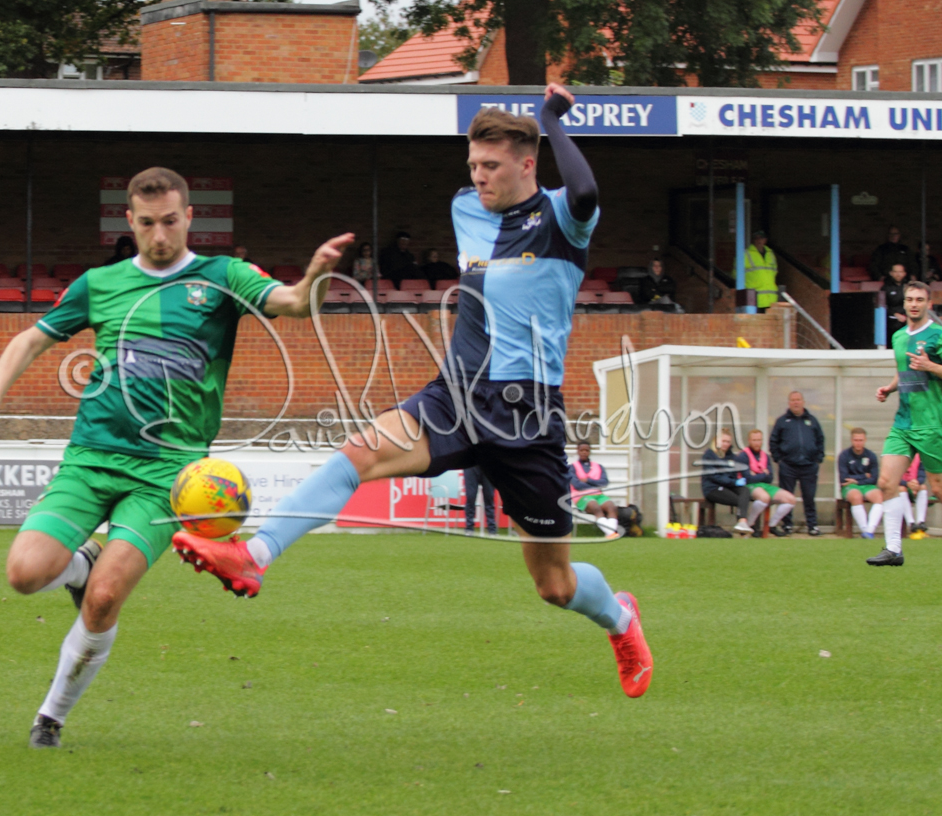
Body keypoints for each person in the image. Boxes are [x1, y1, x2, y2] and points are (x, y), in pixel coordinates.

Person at [173, 85, 654, 699]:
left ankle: (620, 617)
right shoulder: (465, 207)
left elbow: (585, 192)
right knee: (359, 454)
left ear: (528, 164)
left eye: (492, 165)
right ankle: (255, 555)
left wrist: (550, 119)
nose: (478, 176)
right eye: (473, 165)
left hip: (527, 414)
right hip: (457, 395)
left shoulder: (564, 219)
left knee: (554, 585)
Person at [0, 167, 354, 748]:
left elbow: (293, 303)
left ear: (189, 217)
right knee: (24, 574)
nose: (160, 235)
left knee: (104, 598)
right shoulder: (100, 283)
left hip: (167, 473)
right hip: (92, 457)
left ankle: (51, 717)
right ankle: (81, 564)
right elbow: (30, 339)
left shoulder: (223, 276)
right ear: (130, 221)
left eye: (170, 221)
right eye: (147, 224)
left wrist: (315, 276)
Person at [866, 281, 942, 567]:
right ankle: (894, 549)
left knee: (940, 489)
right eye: (909, 299)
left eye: (919, 299)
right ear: (904, 304)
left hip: (932, 425)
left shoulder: (939, 335)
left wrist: (931, 366)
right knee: (886, 482)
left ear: (929, 304)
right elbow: (904, 370)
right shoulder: (898, 337)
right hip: (904, 422)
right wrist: (890, 387)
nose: (914, 304)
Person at [770, 391, 825, 536]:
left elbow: (820, 439)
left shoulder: (812, 420)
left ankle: (812, 526)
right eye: (793, 400)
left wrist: (818, 458)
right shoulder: (782, 421)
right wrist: (778, 459)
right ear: (789, 403)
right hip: (788, 466)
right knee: (787, 497)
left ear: (803, 402)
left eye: (798, 400)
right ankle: (787, 525)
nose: (796, 402)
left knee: (809, 497)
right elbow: (773, 441)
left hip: (809, 466)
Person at [736, 429, 797, 536]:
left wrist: (756, 474)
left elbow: (770, 478)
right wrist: (763, 474)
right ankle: (750, 525)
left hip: (764, 485)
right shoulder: (743, 455)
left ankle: (771, 525)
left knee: (791, 499)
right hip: (749, 486)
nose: (757, 443)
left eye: (759, 440)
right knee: (764, 497)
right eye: (754, 440)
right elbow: (748, 478)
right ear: (749, 440)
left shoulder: (765, 456)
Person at [699, 428, 753, 535]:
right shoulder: (709, 455)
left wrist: (737, 481)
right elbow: (714, 476)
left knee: (745, 491)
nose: (726, 444)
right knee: (739, 500)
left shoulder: (731, 457)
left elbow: (732, 474)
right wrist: (733, 482)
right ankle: (742, 526)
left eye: (728, 442)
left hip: (727, 485)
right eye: (723, 441)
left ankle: (742, 523)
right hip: (712, 488)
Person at [568, 440, 621, 539]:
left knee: (611, 507)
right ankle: (611, 533)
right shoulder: (572, 467)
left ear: (590, 451)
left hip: (598, 494)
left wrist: (588, 480)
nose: (584, 452)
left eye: (586, 450)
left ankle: (610, 534)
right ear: (577, 451)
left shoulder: (598, 466)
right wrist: (595, 484)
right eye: (582, 450)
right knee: (595, 507)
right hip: (580, 496)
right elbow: (577, 485)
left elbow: (604, 483)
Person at [838, 428, 884, 539]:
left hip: (866, 485)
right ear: (851, 440)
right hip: (850, 486)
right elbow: (844, 479)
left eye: (861, 440)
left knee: (879, 497)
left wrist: (857, 480)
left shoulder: (871, 455)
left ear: (865, 440)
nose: (858, 443)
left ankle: (869, 531)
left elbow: (874, 478)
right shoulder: (844, 455)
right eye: (856, 440)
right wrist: (864, 476)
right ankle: (864, 529)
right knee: (856, 496)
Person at [743, 230, 779, 311]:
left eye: (761, 238)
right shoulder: (746, 254)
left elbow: (774, 272)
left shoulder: (770, 253)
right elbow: (736, 274)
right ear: (753, 240)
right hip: (753, 298)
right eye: (756, 238)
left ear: (765, 240)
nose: (759, 240)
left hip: (771, 298)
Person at [898, 453, 929, 539]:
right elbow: (895, 478)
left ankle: (921, 522)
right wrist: (907, 484)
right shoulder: (898, 458)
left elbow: (922, 475)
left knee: (923, 487)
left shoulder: (919, 457)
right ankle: (911, 523)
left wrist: (916, 483)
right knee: (901, 489)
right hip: (902, 487)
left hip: (914, 485)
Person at [463, 465, 498, 536]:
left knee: (489, 498)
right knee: (470, 497)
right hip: (470, 466)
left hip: (488, 466)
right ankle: (469, 528)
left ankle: (492, 530)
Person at [881, 262, 911, 346]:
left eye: (901, 272)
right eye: (896, 272)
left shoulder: (909, 287)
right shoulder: (885, 288)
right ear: (891, 273)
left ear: (904, 273)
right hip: (892, 320)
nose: (898, 274)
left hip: (908, 318)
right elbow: (883, 306)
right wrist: (895, 314)